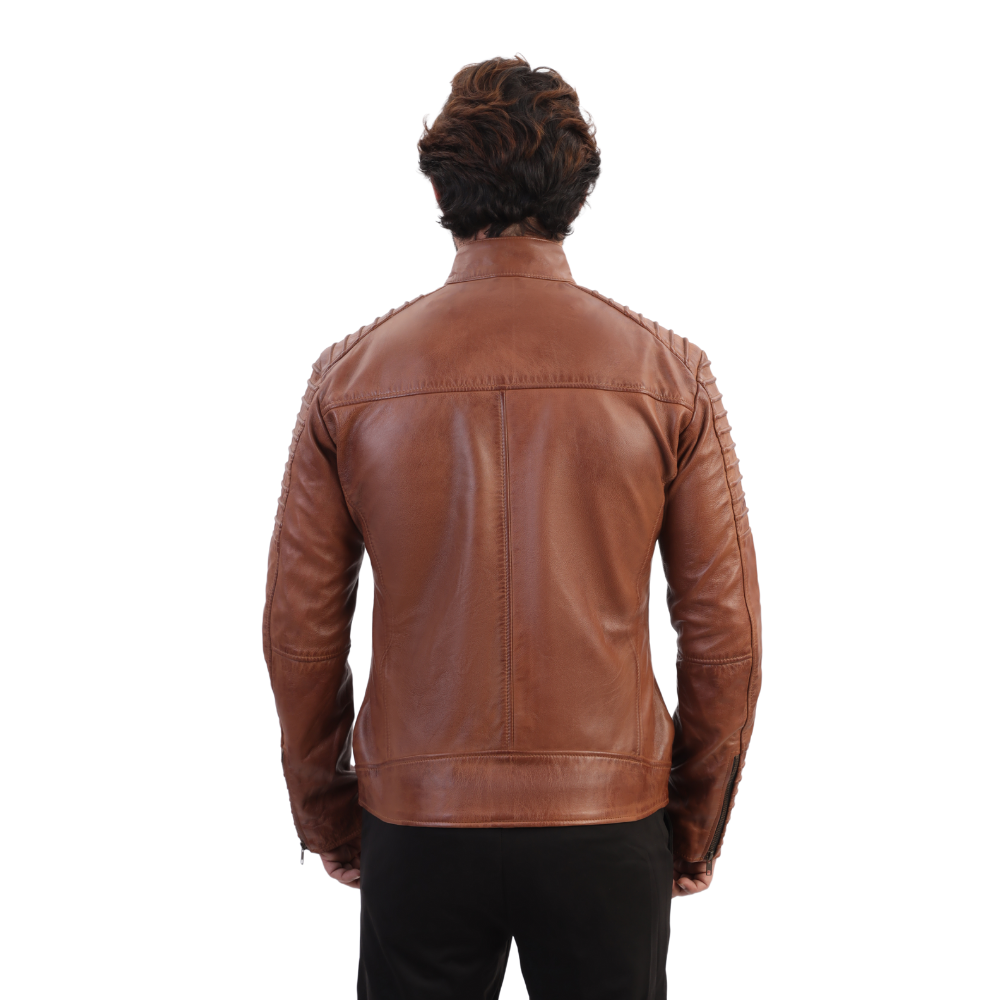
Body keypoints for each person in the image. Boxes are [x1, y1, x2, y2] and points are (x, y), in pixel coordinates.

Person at [263, 55, 762, 1000]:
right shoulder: (669, 375)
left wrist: (331, 812)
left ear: (441, 188)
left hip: (418, 821)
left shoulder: (349, 378)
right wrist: (691, 825)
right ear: (577, 192)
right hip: (608, 823)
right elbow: (724, 637)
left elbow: (301, 632)